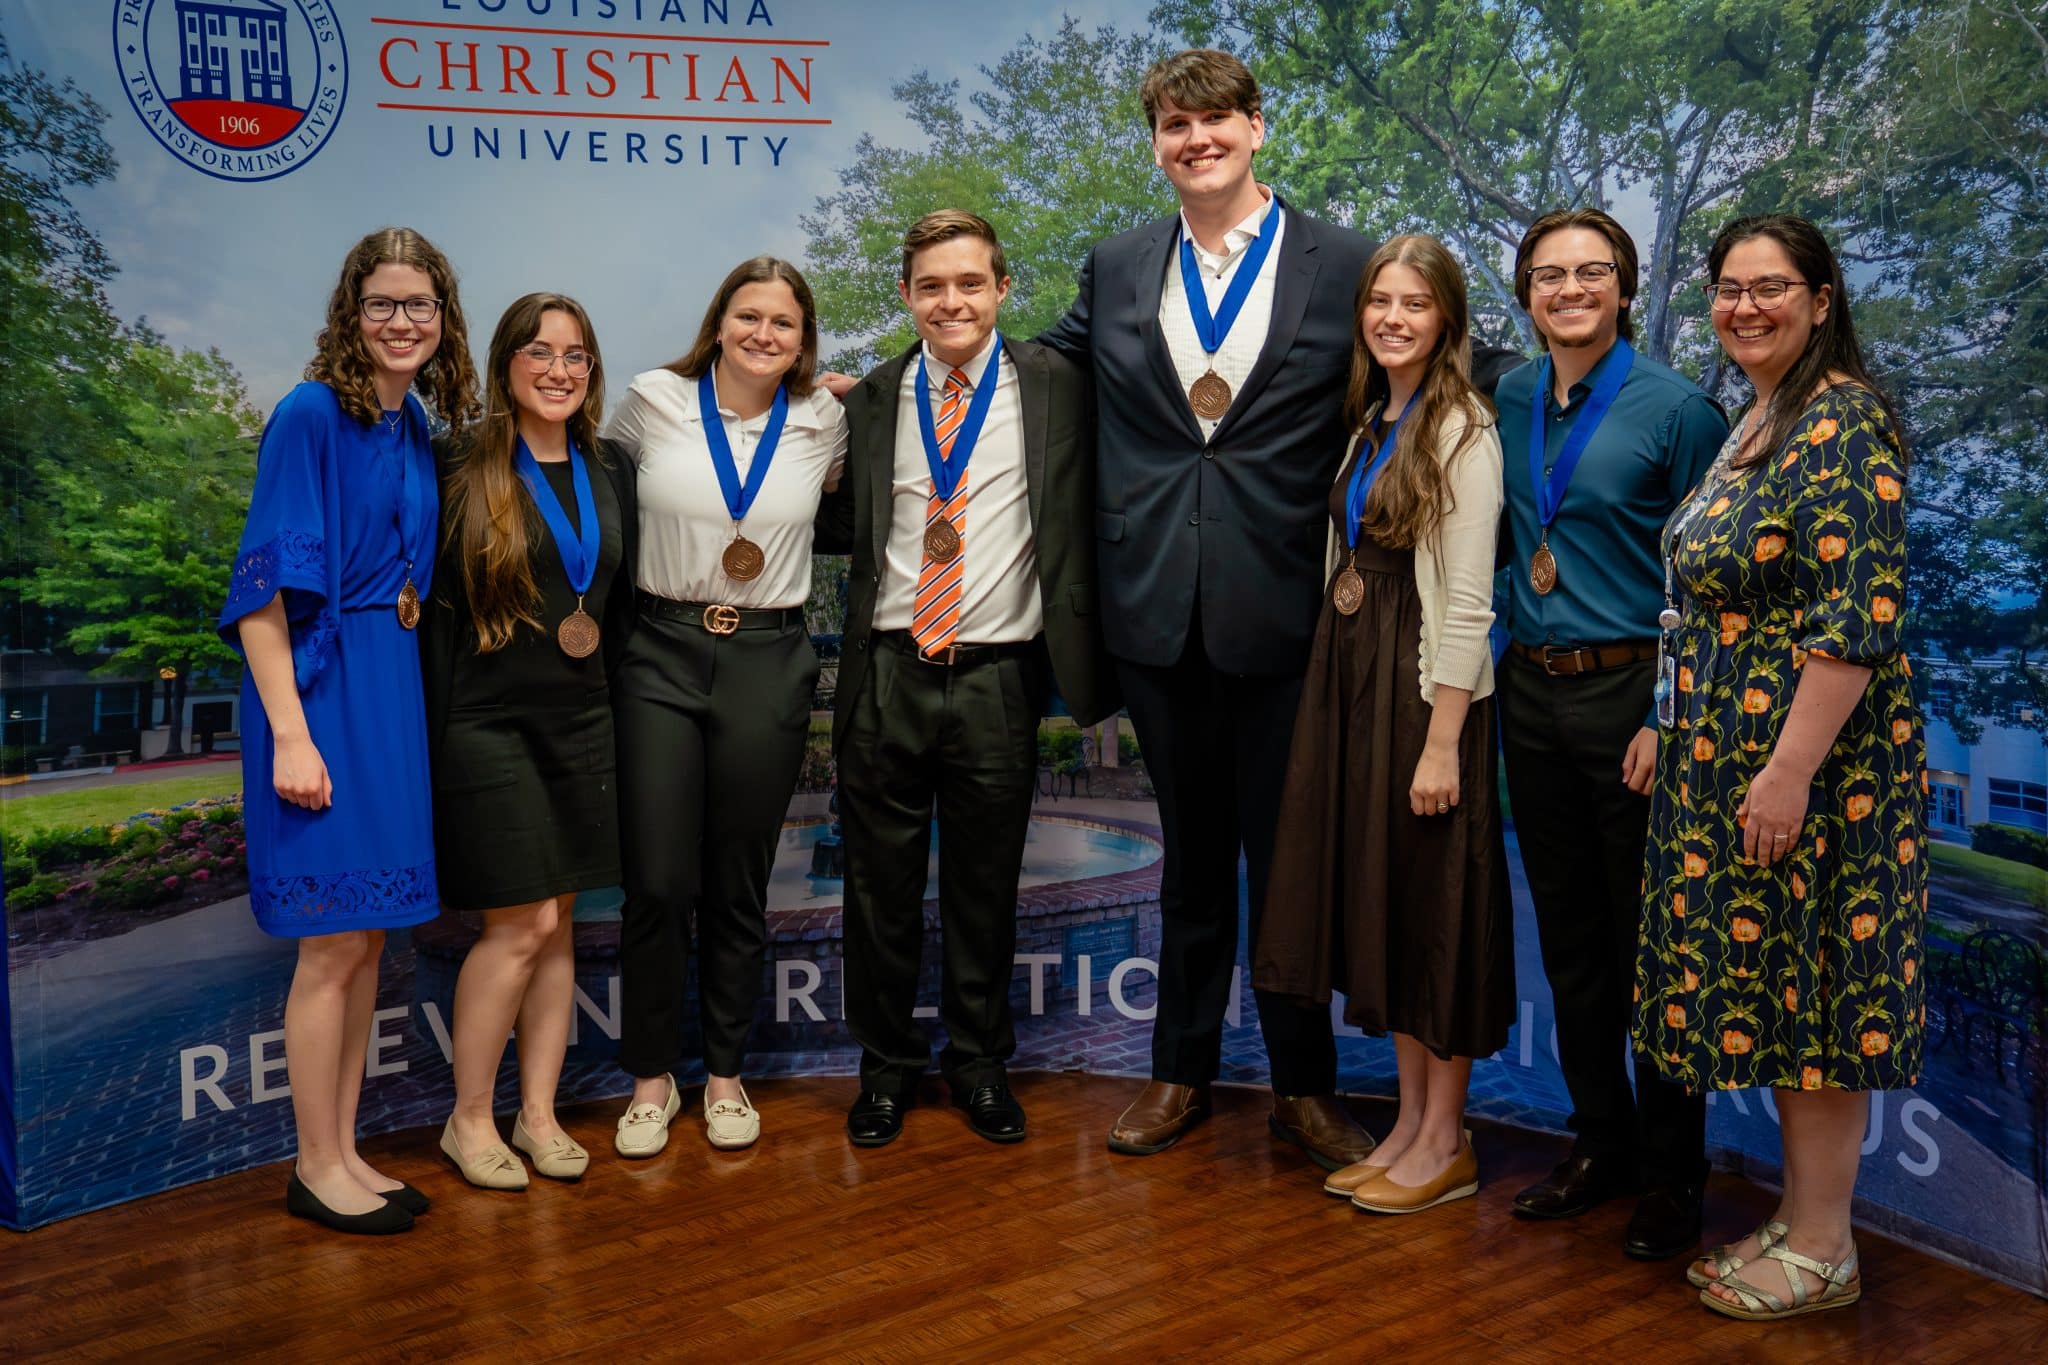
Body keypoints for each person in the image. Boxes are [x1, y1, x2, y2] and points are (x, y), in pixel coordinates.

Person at [1638, 213, 1924, 1320]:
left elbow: (1858, 615)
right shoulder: (1762, 416)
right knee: (1778, 989)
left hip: (1818, 768)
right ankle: (1800, 1223)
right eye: (1727, 287)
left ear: (1819, 299)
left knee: (1820, 993)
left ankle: (1822, 1248)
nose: (1743, 306)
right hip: (1732, 751)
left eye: (1769, 287)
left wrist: (1788, 770)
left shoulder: (1840, 418)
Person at [815, 209, 1116, 1147]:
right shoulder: (869, 398)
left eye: (971, 283)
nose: (953, 302)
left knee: (986, 887)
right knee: (879, 890)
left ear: (1001, 289)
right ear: (906, 295)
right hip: (889, 671)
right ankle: (885, 1070)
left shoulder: (1059, 385)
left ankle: (981, 1063)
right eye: (932, 286)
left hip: (998, 675)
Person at [217, 226, 478, 1234]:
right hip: (320, 690)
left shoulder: (411, 421)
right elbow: (258, 595)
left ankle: (344, 1149)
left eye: (420, 305)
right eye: (383, 304)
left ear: (442, 318)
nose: (402, 321)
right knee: (330, 947)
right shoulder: (309, 413)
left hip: (390, 683)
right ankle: (313, 1164)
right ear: (351, 313)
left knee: (367, 941)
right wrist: (291, 733)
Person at [1255, 235, 1512, 1213]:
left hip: (1422, 694)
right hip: (1355, 682)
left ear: (1446, 319)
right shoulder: (1372, 420)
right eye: (1379, 301)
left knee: (1432, 910)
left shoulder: (1462, 427)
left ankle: (1446, 1139)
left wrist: (1442, 741)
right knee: (1390, 909)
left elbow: (1468, 602)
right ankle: (1407, 1126)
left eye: (1415, 303)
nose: (1393, 318)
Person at [1492, 208, 1728, 1259]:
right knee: (1571, 941)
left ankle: (1675, 1176)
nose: (1570, 289)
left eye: (1592, 272)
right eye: (1548, 275)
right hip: (1532, 695)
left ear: (1625, 289)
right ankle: (1602, 1145)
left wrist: (1666, 716)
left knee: (1652, 948)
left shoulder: (1678, 411)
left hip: (1634, 699)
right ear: (1526, 294)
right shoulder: (1507, 397)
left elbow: (1714, 589)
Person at [601, 258, 847, 1157]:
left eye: (784, 323)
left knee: (738, 881)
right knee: (659, 882)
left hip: (766, 656)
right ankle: (651, 1079)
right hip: (659, 650)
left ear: (802, 339)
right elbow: (596, 503)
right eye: (749, 316)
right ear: (719, 321)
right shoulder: (653, 400)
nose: (763, 334)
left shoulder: (823, 421)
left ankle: (727, 1075)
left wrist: (846, 393)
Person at [421, 293, 636, 1189]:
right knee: (522, 923)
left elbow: (619, 606)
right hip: (485, 723)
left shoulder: (610, 464)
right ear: (506, 362)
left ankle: (537, 1114)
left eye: (576, 355)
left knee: (560, 928)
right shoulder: (457, 462)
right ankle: (468, 1118)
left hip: (582, 721)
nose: (559, 369)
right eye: (540, 351)